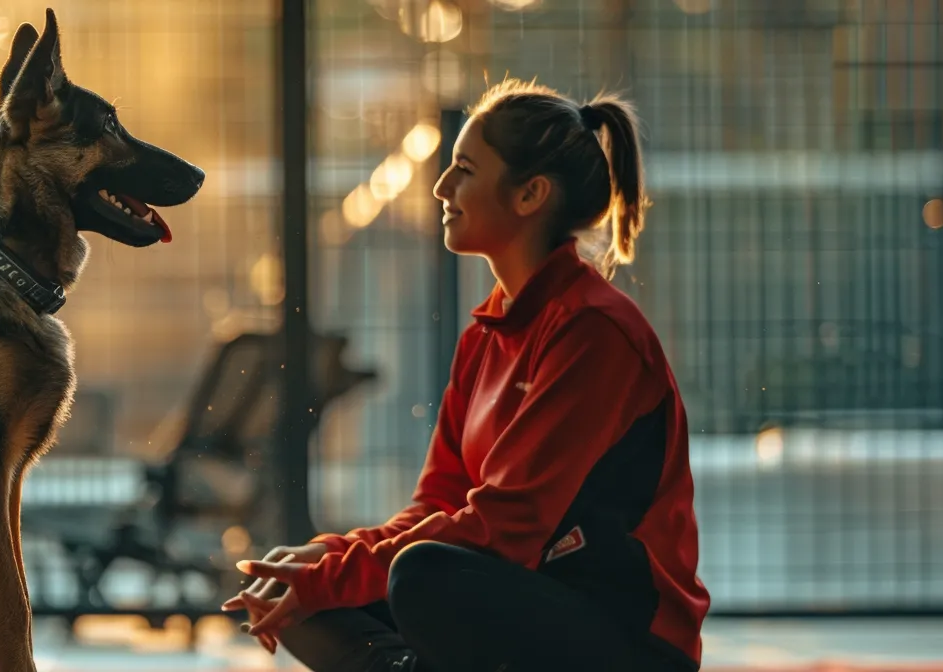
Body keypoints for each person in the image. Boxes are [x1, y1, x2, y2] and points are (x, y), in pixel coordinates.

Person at [222, 79, 710, 672]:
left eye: (464, 169)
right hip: (516, 605)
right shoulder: (485, 335)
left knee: (425, 575)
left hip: (626, 639)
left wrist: (336, 575)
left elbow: (506, 528)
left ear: (530, 194)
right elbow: (438, 503)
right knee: (297, 588)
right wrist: (327, 557)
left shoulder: (594, 333)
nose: (441, 187)